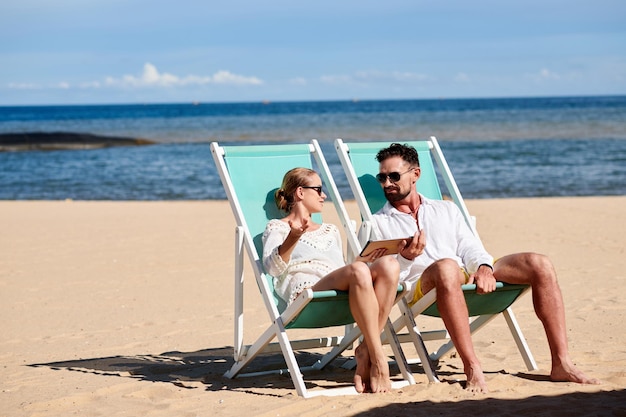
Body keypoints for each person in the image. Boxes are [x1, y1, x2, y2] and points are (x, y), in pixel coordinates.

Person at [370, 143, 600, 393]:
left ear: (415, 174)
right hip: (424, 288)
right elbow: (384, 279)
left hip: (464, 277)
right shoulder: (378, 223)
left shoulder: (446, 209)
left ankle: (561, 363)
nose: (387, 183)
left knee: (539, 263)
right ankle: (472, 366)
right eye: (382, 177)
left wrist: (483, 267)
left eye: (394, 176)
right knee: (447, 267)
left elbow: (471, 246)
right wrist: (406, 258)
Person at [262, 167, 401, 393]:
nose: (323, 195)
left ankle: (365, 351)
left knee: (389, 265)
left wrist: (368, 258)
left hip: (340, 287)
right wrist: (293, 238)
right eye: (318, 189)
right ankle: (379, 358)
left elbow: (341, 268)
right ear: (299, 192)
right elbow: (273, 268)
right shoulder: (278, 227)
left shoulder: (330, 229)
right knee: (358, 270)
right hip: (308, 294)